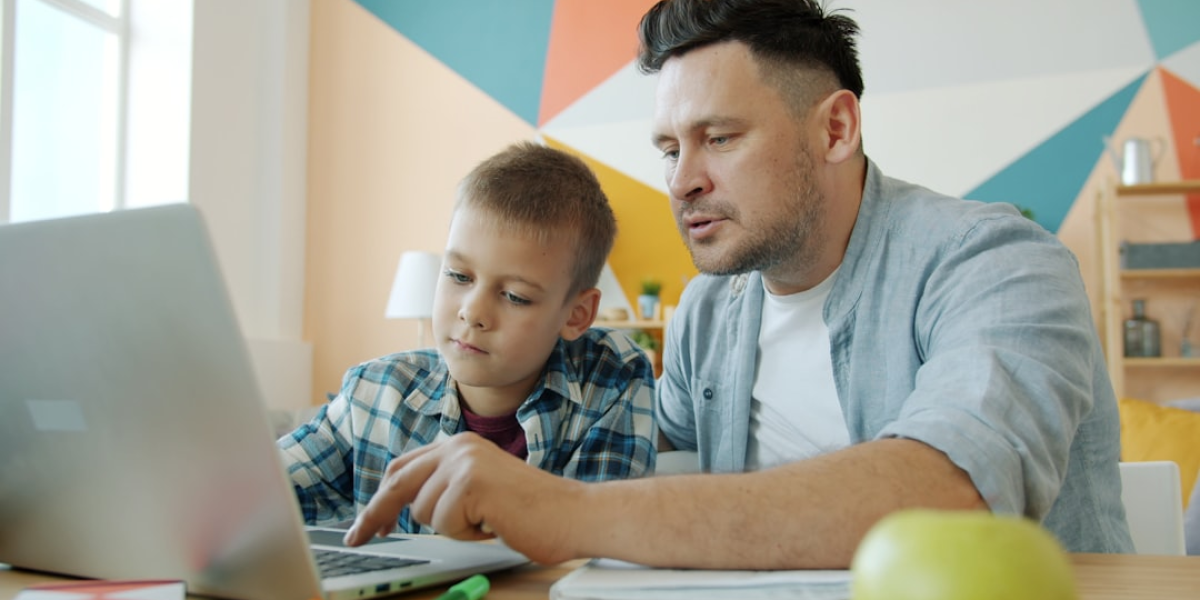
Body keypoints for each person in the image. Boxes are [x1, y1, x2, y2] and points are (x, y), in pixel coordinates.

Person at [343, 0, 1134, 567]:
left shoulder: (998, 263)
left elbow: (950, 492)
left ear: (835, 128)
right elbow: (639, 460)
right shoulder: (708, 313)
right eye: (667, 148)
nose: (681, 181)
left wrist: (568, 513)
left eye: (717, 137)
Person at [278, 141, 657, 534]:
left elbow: (603, 539)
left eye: (515, 296)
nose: (472, 312)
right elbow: (258, 495)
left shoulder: (612, 379)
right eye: (459, 276)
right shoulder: (373, 394)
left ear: (577, 315)